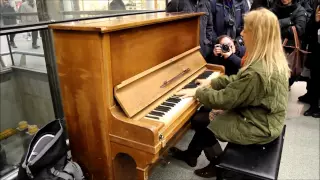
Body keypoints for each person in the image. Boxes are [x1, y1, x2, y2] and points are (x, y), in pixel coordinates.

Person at [169, 8, 290, 178]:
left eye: (246, 29)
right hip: (262, 114)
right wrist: (212, 82)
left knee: (201, 120)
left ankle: (217, 163)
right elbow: (238, 81)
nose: (241, 32)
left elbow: (225, 99)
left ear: (257, 35)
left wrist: (198, 92)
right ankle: (194, 155)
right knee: (204, 115)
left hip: (260, 125)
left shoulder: (258, 72)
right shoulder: (269, 59)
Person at [303, 4, 320, 118]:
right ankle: (313, 106)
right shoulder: (317, 9)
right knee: (314, 81)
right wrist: (316, 21)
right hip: (316, 53)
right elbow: (307, 31)